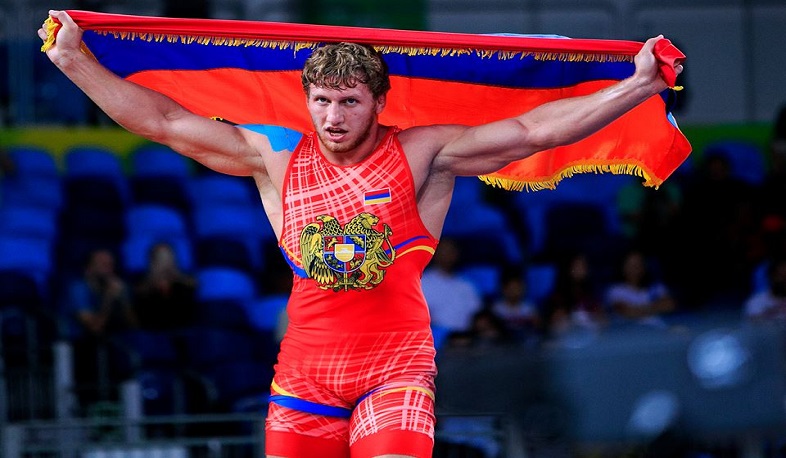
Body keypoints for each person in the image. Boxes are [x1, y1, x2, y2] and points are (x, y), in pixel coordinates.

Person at [39, 10, 683, 457]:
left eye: (349, 101)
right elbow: (164, 122)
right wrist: (73, 62)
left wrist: (637, 85)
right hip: (304, 377)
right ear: (306, 100)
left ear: (379, 102)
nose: (333, 116)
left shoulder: (423, 153)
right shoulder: (274, 158)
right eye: (321, 100)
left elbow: (533, 131)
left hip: (395, 370)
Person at [421, 238, 483, 335]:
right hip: (435, 338)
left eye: (451, 251)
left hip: (466, 338)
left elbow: (477, 313)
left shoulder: (467, 285)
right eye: (444, 251)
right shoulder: (423, 282)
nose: (448, 255)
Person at [132, 242, 198, 331]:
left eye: (168, 257)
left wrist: (178, 277)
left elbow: (190, 310)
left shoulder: (184, 284)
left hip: (183, 331)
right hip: (153, 332)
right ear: (152, 262)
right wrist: (153, 281)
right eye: (161, 258)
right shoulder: (143, 287)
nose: (165, 262)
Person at [604, 249, 676, 329]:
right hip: (629, 331)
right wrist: (656, 307)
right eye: (631, 265)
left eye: (639, 264)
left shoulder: (656, 287)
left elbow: (670, 305)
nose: (635, 268)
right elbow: (627, 312)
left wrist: (638, 310)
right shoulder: (615, 290)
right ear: (623, 267)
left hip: (656, 328)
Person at [744, 257, 786, 322]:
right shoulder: (756, 301)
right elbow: (752, 323)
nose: (784, 281)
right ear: (771, 277)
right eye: (780, 276)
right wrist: (774, 311)